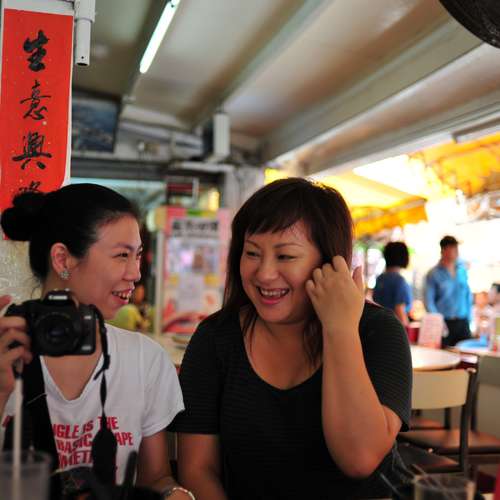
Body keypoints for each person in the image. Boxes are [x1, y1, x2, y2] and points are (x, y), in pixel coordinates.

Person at [171, 178, 412, 500]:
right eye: (252, 253)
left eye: (285, 256)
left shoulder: (377, 330)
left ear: (330, 263)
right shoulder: (215, 339)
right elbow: (198, 470)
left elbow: (360, 459)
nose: (264, 273)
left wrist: (340, 328)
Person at [0, 184, 193, 499]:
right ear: (63, 259)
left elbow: (156, 478)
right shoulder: (6, 353)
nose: (135, 273)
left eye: (138, 256)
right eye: (122, 256)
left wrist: (176, 494)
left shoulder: (145, 359)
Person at [424, 235, 473, 347]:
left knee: (466, 353)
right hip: (444, 323)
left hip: (463, 322)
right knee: (445, 354)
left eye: (456, 249)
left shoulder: (462, 271)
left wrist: (469, 318)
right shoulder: (433, 274)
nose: (456, 252)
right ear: (443, 251)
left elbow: (467, 296)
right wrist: (438, 322)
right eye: (452, 249)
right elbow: (429, 301)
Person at [373, 242, 413, 326]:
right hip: (395, 327)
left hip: (379, 325)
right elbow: (399, 310)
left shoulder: (380, 279)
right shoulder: (399, 281)